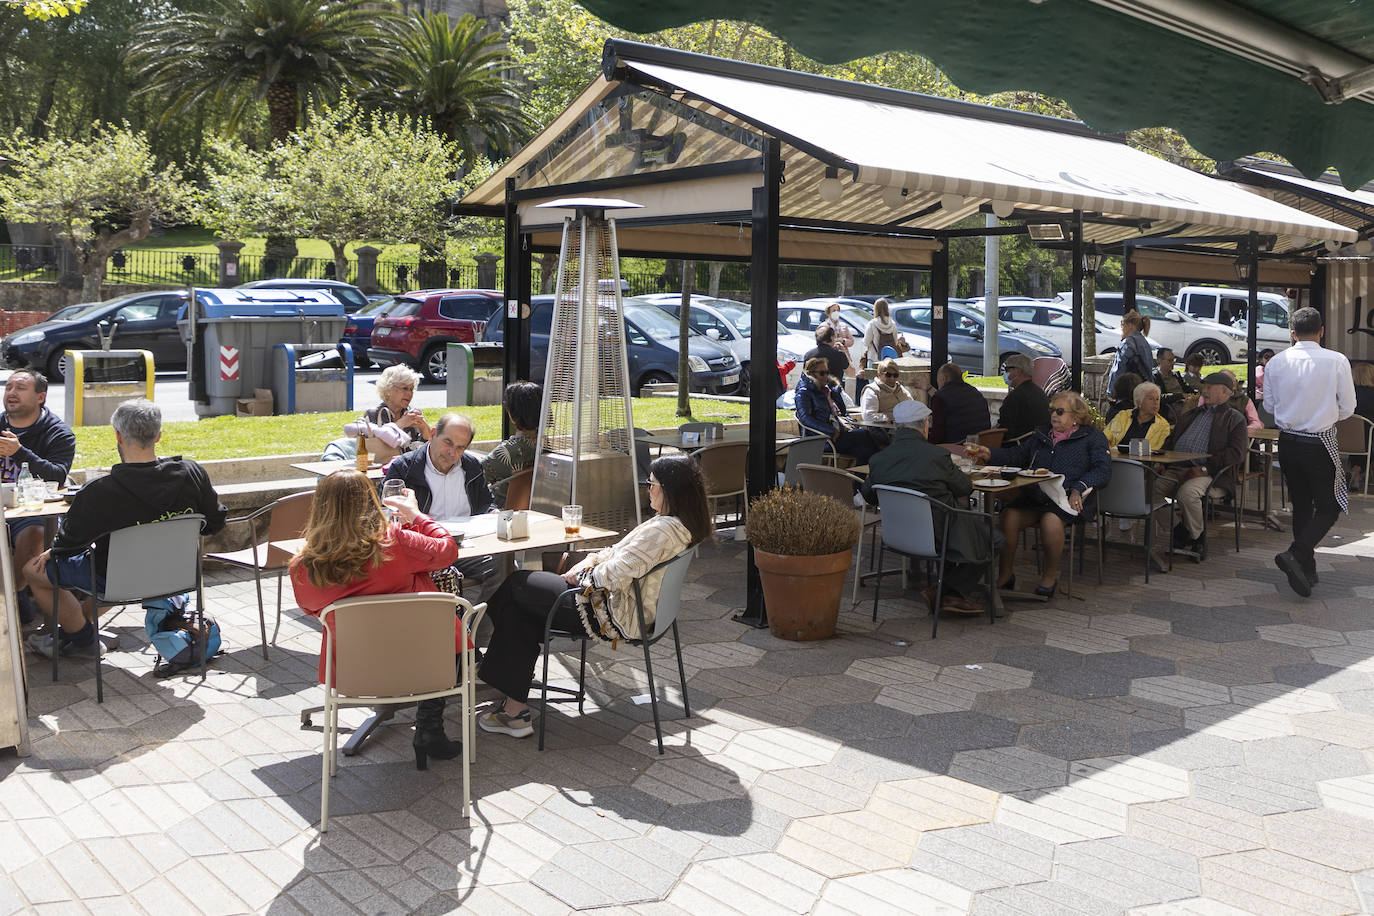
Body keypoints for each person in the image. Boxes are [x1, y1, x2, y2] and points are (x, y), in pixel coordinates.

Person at [476, 455, 713, 738]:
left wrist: (581, 576)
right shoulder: (678, 525)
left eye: (651, 484)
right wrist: (585, 563)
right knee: (518, 612)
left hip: (607, 611)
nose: (647, 489)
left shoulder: (662, 531)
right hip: (620, 606)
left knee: (517, 584)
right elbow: (616, 553)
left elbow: (616, 573)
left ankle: (483, 666)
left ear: (670, 489)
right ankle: (514, 710)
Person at [23, 399, 226, 659]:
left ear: (118, 436)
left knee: (33, 570)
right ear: (159, 436)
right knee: (109, 567)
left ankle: (84, 641)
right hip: (176, 576)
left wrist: (54, 550)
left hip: (116, 581)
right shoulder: (192, 473)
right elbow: (215, 521)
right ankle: (75, 631)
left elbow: (69, 543)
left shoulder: (100, 491)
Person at [289, 469, 465, 768]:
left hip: (354, 669)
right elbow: (447, 551)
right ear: (370, 502)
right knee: (448, 626)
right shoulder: (394, 541)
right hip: (424, 659)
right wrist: (416, 514)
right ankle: (429, 726)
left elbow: (310, 609)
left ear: (319, 509)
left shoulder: (303, 567)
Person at [970, 391, 1111, 597]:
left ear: (1076, 416)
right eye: (1052, 410)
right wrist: (989, 453)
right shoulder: (1041, 435)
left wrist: (1078, 488)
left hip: (1065, 499)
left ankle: (1051, 575)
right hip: (1035, 497)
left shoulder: (1092, 438)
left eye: (1060, 411)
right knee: (1008, 517)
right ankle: (1006, 574)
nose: (1054, 415)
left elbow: (1102, 470)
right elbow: (1017, 455)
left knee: (1050, 522)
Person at [862, 400, 995, 614]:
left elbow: (869, 495)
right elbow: (965, 487)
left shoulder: (879, 460)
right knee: (993, 538)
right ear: (924, 425)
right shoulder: (936, 456)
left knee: (965, 527)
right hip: (938, 534)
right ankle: (946, 592)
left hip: (896, 535)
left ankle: (946, 593)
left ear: (898, 427)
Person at [1264, 307, 1356, 596]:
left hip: (1288, 441)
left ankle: (1307, 568)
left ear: (1292, 333)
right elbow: (1348, 407)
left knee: (1302, 504)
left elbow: (1268, 407)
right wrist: (1325, 415)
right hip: (1319, 441)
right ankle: (1297, 553)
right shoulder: (1336, 360)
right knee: (1329, 506)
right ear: (1322, 331)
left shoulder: (1276, 362)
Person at [1, 369, 76, 625]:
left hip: (31, 512)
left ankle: (17, 596)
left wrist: (20, 452)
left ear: (40, 397)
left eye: (20, 388)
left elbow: (58, 476)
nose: (11, 393)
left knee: (34, 534)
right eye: (8, 387)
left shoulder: (57, 433)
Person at [1156, 372, 1248, 559]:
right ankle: (1181, 530)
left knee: (1187, 494)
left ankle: (1198, 538)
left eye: (1208, 387)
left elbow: (1236, 454)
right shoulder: (1190, 415)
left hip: (1210, 473)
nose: (1203, 391)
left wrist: (1205, 468)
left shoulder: (1234, 419)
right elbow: (1171, 440)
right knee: (1149, 490)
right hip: (1176, 467)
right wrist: (1162, 460)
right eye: (1203, 387)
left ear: (1225, 392)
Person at [794, 357, 883, 465]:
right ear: (811, 374)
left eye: (827, 372)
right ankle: (883, 468)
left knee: (864, 451)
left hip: (837, 434)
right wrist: (831, 431)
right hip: (821, 439)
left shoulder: (828, 390)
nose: (826, 376)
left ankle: (861, 480)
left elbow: (843, 413)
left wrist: (835, 395)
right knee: (864, 434)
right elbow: (805, 418)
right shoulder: (804, 392)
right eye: (822, 373)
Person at [483, 382, 541, 508]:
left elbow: (474, 474)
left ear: (512, 414)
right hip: (534, 512)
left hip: (500, 513)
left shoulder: (506, 453)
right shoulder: (546, 445)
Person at [366, 365, 432, 451]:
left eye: (411, 389)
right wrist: (401, 424)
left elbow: (429, 448)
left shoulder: (412, 414)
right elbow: (374, 449)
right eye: (405, 388)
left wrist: (424, 428)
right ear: (388, 389)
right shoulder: (374, 415)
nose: (409, 394)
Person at [929, 362, 991, 445]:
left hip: (957, 447)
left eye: (938, 379)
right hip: (982, 444)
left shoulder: (939, 398)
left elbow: (937, 435)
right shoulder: (974, 391)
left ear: (944, 378)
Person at [1104, 381, 1172, 451]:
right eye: (1151, 399)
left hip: (1142, 461)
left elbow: (1154, 450)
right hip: (1117, 459)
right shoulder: (1123, 416)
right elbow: (1105, 437)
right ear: (1139, 401)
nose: (1155, 403)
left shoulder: (1163, 425)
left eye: (1157, 399)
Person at [996, 354, 1049, 442]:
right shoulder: (1039, 392)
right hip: (1039, 442)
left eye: (1006, 369)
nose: (1004, 373)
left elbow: (1004, 430)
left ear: (1018, 371)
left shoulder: (1015, 397)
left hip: (1018, 446)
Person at [1107, 310, 1155, 394]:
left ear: (1129, 326)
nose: (1121, 328)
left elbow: (1119, 368)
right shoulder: (1144, 342)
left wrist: (1111, 391)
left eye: (1122, 325)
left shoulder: (1128, 343)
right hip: (1144, 388)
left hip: (1128, 390)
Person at [859, 358, 912, 423]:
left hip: (905, 427)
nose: (892, 378)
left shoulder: (901, 389)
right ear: (879, 374)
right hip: (883, 430)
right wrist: (892, 417)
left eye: (895, 375)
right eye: (888, 375)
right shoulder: (872, 391)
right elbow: (868, 416)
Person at [1349, 361, 1374, 492]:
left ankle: (1356, 469)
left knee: (1360, 435)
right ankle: (1359, 469)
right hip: (1369, 442)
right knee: (1369, 435)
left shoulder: (1348, 395)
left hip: (1347, 442)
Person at [861, 298, 907, 369]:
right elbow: (895, 343)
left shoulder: (872, 324)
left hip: (874, 358)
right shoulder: (893, 324)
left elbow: (866, 342)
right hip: (888, 361)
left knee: (874, 379)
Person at [1152, 348, 1188, 421]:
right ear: (1159, 360)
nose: (1173, 363)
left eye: (1173, 360)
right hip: (1170, 408)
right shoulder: (1154, 377)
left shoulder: (1176, 375)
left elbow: (1187, 388)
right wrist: (1179, 396)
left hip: (1185, 403)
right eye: (1170, 360)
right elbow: (1158, 397)